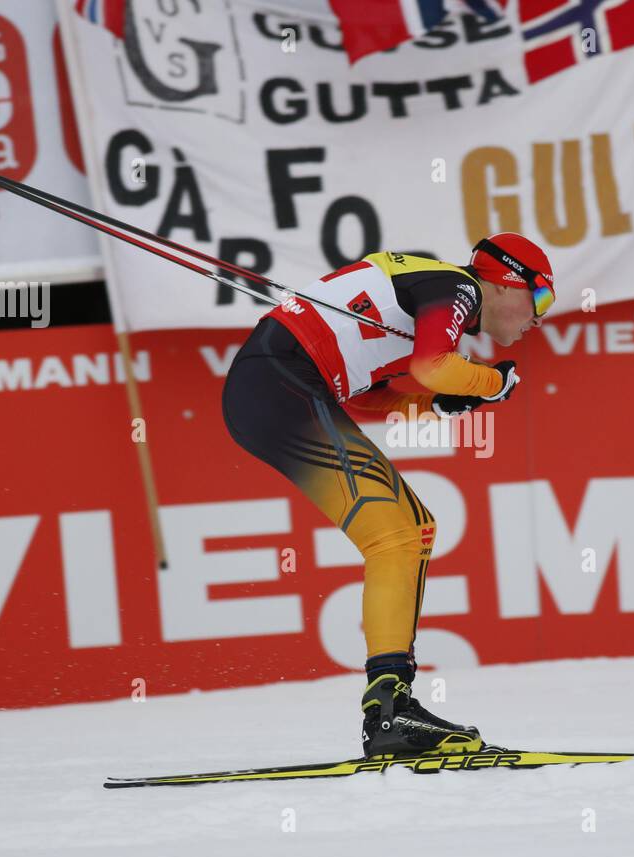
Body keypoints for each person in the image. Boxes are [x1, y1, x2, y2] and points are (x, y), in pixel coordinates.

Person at [222, 233, 555, 757]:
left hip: (276, 387)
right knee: (396, 536)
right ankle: (389, 713)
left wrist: (434, 406)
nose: (539, 318)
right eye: (541, 298)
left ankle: (391, 704)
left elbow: (371, 394)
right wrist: (492, 383)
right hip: (280, 384)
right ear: (506, 282)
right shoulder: (459, 287)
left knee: (413, 529)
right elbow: (432, 368)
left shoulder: (437, 302)